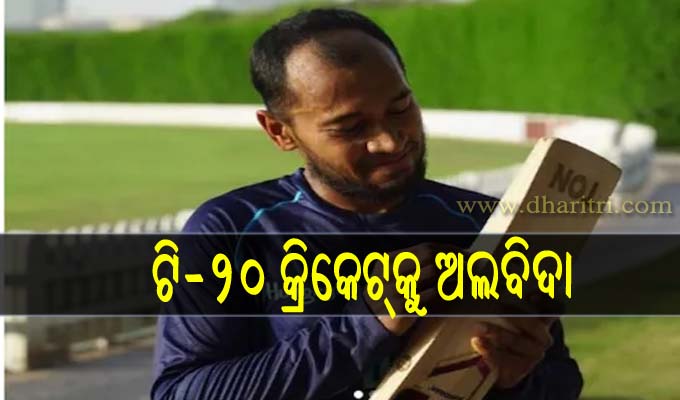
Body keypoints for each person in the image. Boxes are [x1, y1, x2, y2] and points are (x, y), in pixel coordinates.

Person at [151, 8, 582, 399]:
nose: (390, 141)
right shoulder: (230, 232)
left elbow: (559, 381)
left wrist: (519, 381)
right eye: (350, 127)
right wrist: (368, 323)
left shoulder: (486, 225)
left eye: (401, 107)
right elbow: (181, 392)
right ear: (280, 132)